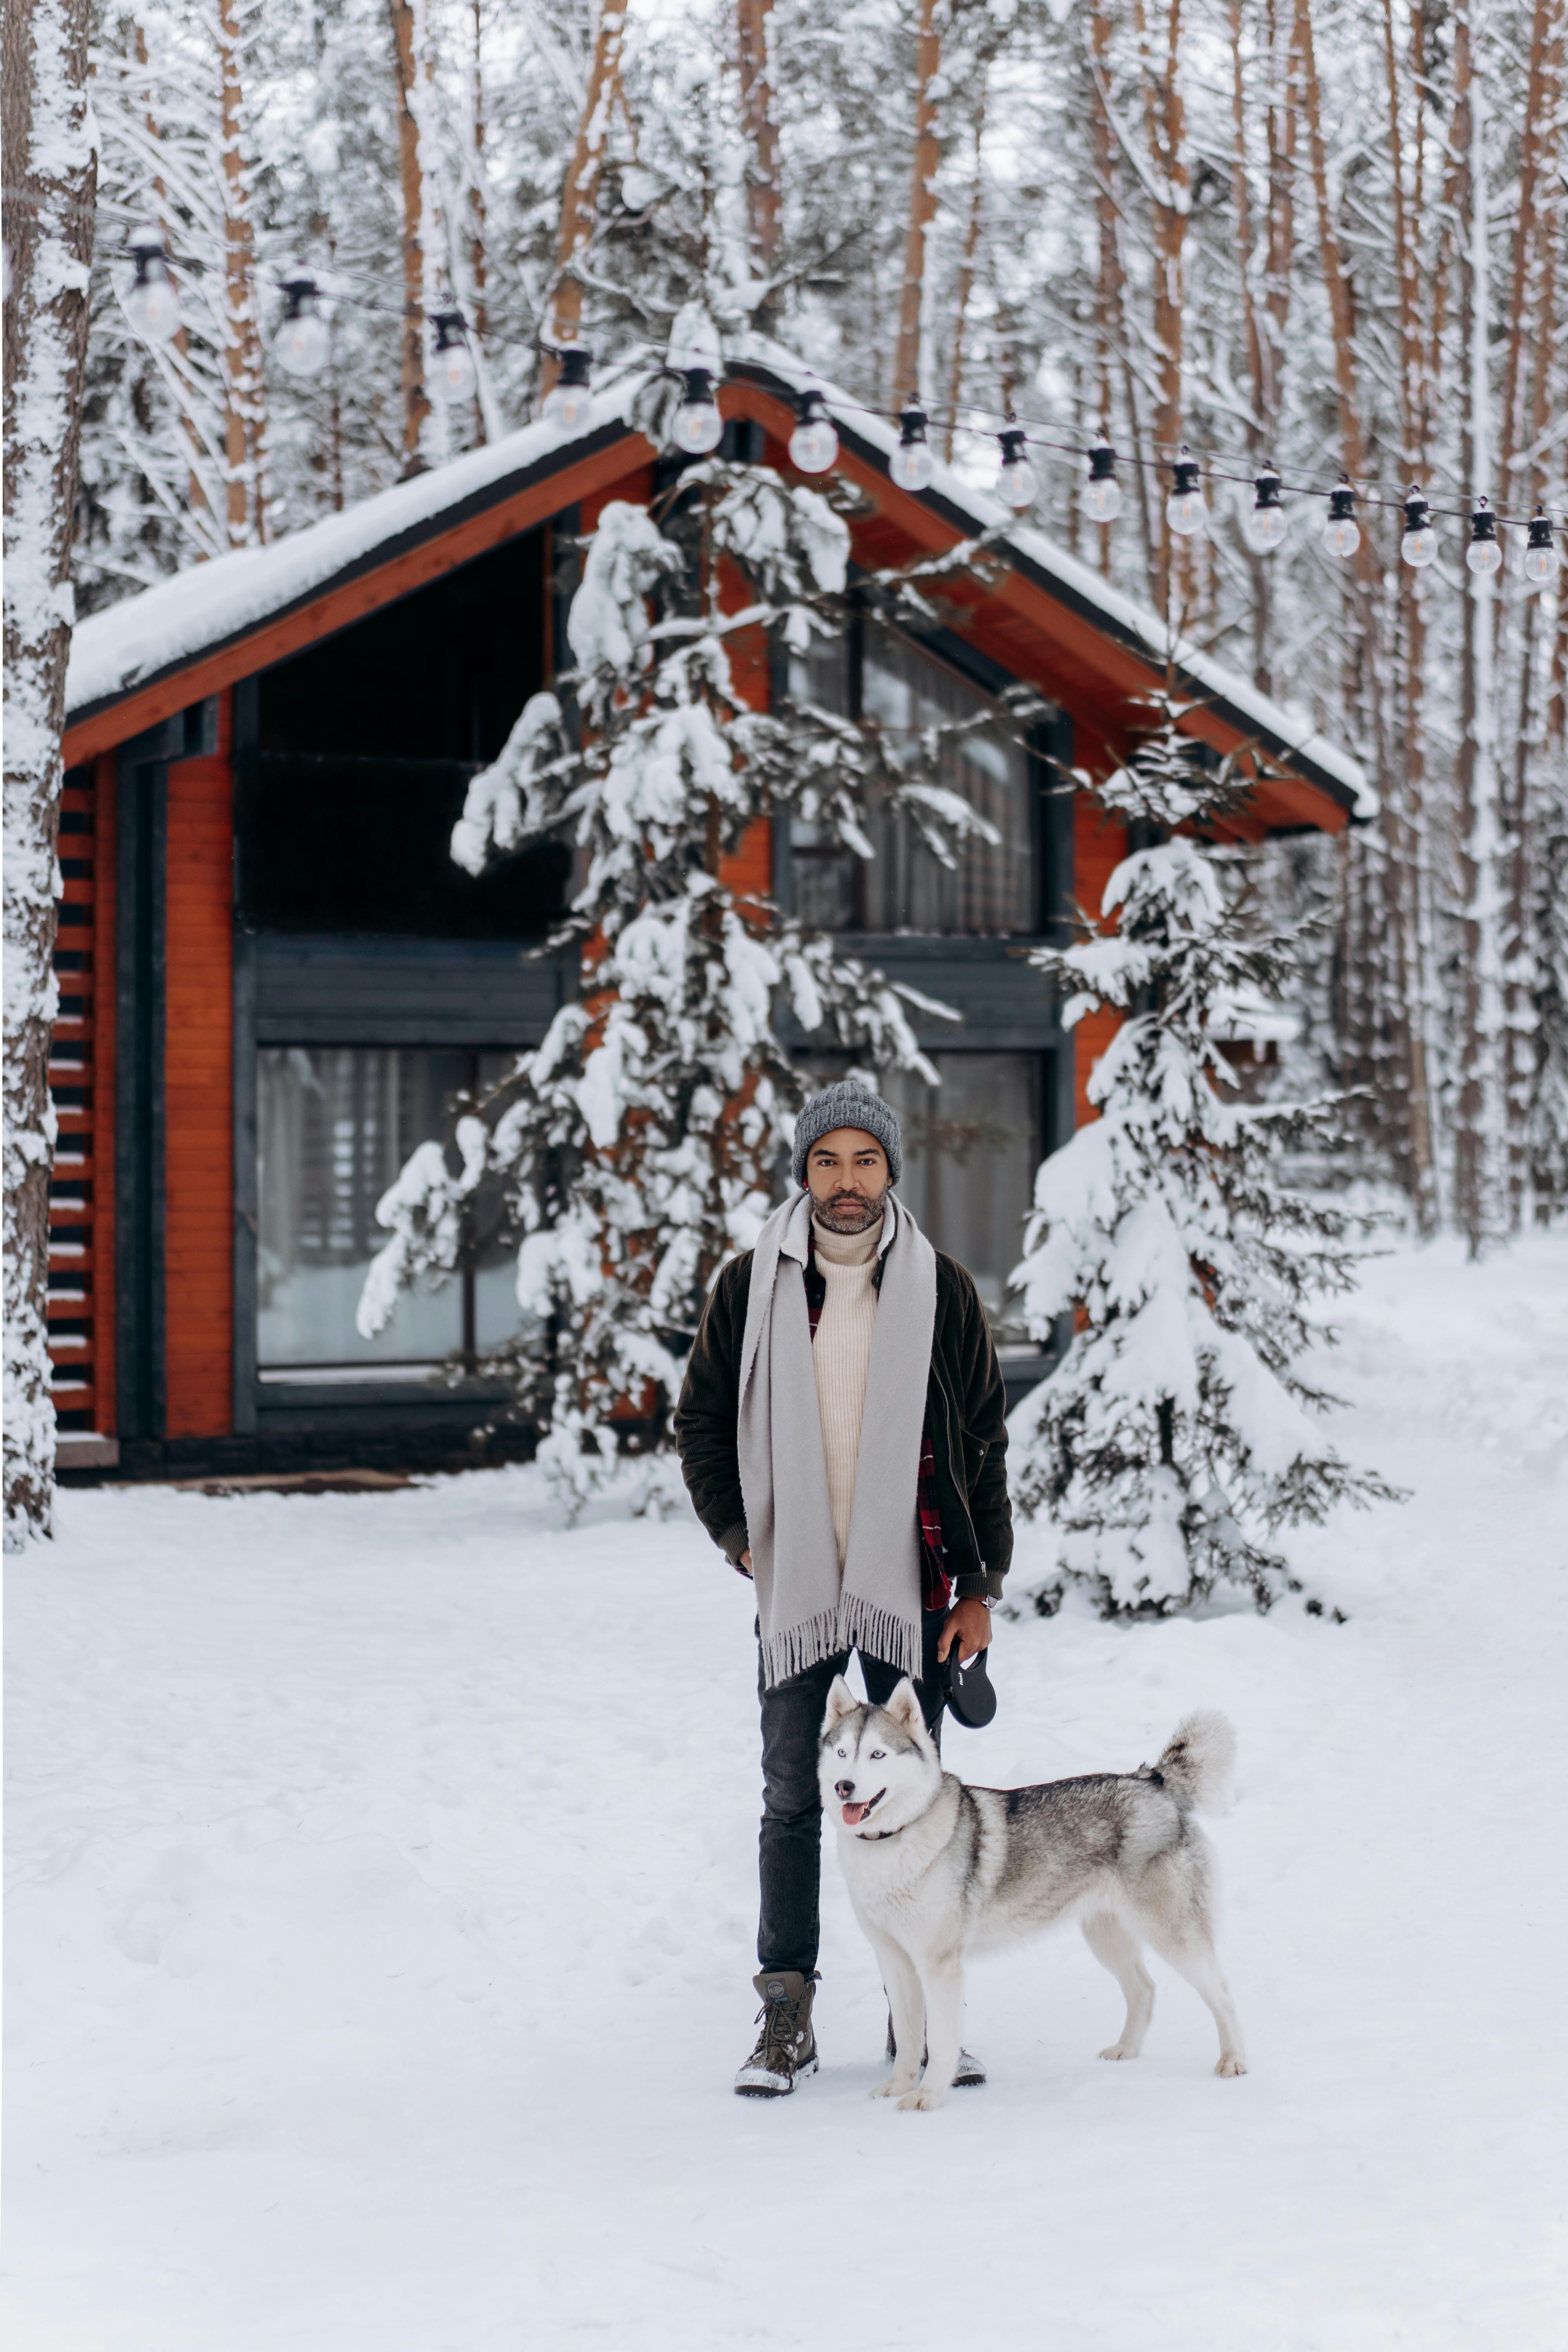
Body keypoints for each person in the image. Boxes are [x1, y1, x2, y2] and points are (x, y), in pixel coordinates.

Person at [673, 1078, 1012, 2096]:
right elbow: (700, 1424)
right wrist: (742, 1537)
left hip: (908, 1575)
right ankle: (788, 2016)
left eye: (865, 1161)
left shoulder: (940, 1287)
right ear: (804, 1172)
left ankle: (924, 2028)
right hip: (795, 1580)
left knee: (915, 1802)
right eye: (829, 1161)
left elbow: (982, 1439)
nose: (847, 1181)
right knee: (793, 1797)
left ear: (890, 1172)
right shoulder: (754, 1285)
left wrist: (980, 1580)